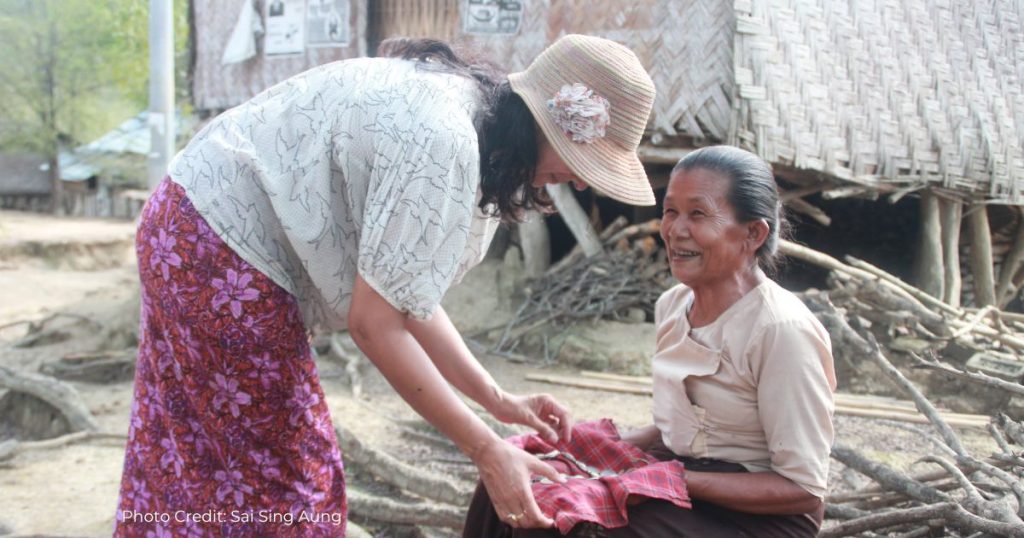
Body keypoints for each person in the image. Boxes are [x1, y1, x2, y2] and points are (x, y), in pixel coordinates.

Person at [113, 34, 657, 536]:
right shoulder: (444, 144)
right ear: (547, 120)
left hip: (186, 223)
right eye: (585, 159)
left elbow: (404, 294)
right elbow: (375, 325)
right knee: (292, 483)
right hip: (217, 251)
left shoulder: (469, 119)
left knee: (187, 446)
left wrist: (498, 399)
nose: (584, 180)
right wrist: (487, 449)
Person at [463, 145, 836, 537]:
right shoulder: (673, 306)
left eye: (698, 214)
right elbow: (681, 430)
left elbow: (803, 490)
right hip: (689, 488)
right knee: (515, 476)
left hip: (760, 519)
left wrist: (670, 480)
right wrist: (590, 452)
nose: (675, 229)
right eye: (670, 211)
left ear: (753, 233)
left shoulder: (780, 330)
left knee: (569, 524)